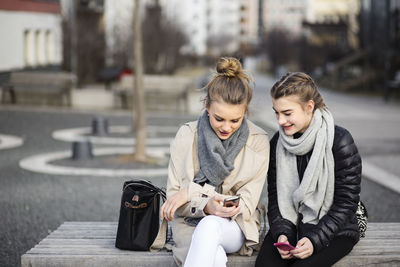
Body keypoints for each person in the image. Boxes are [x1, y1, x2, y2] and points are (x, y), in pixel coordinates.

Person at [159, 57, 270, 267]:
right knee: (215, 258)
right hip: (189, 225)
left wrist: (193, 193)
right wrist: (206, 206)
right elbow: (174, 200)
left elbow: (246, 203)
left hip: (235, 225)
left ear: (245, 112)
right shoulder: (186, 135)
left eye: (235, 120)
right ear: (207, 106)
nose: (226, 127)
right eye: (219, 118)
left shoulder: (258, 142)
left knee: (210, 225)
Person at [255, 72, 362, 267]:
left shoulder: (339, 141)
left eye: (287, 113)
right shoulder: (277, 143)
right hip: (292, 225)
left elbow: (346, 202)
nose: (280, 121)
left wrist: (315, 240)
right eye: (276, 113)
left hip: (335, 229)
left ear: (309, 107)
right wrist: (282, 234)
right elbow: (275, 198)